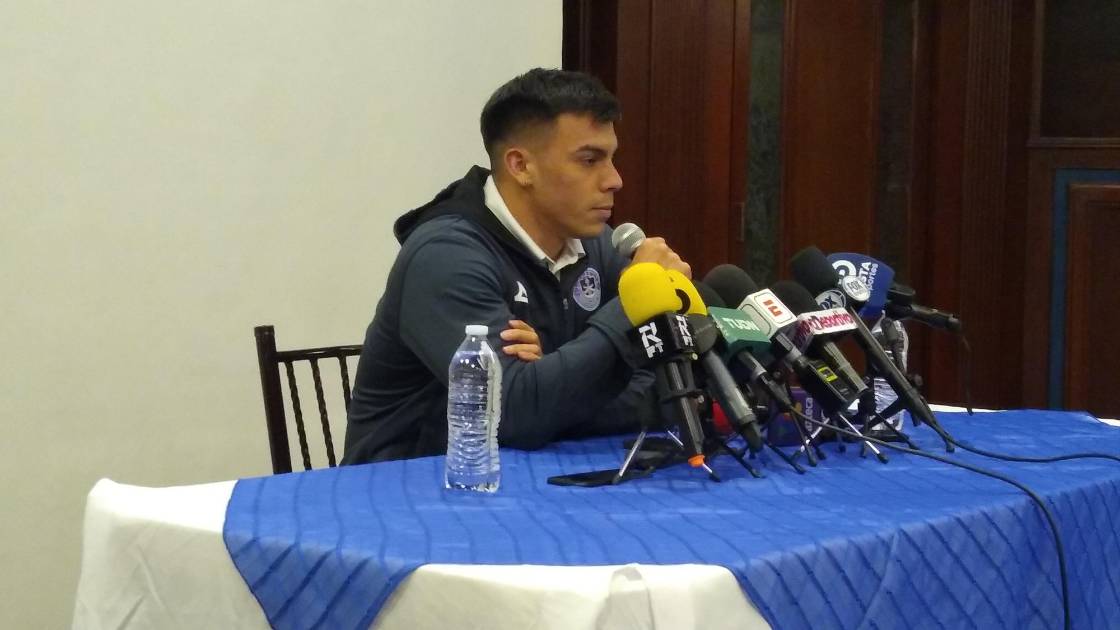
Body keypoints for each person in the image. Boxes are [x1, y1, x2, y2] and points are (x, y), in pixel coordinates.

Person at [341, 68, 691, 464]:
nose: (614, 180)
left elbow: (672, 386)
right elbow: (513, 415)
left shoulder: (595, 244)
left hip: (538, 471)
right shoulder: (445, 255)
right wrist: (637, 302)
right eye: (589, 160)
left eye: (611, 159)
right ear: (521, 166)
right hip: (414, 484)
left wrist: (553, 382)